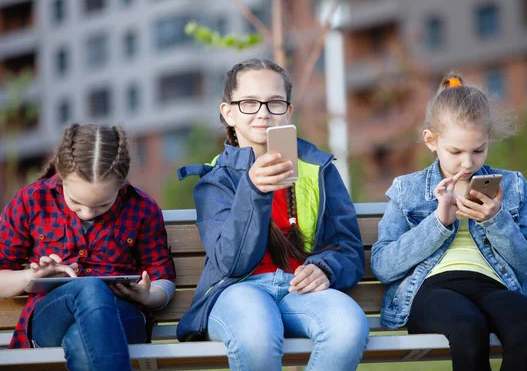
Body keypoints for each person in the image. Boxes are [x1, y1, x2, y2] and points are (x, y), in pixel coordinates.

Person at [176, 58, 369, 371]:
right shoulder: (215, 180)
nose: (263, 112)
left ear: (288, 111)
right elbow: (231, 263)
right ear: (228, 113)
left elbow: (348, 250)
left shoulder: (318, 169)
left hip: (299, 291)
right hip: (237, 292)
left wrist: (325, 268)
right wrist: (253, 190)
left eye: (275, 102)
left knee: (348, 327)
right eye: (250, 102)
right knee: (256, 335)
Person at [371, 73, 527, 371]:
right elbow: (383, 266)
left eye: (478, 150)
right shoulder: (407, 189)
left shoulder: (512, 186)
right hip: (432, 291)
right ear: (431, 140)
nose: (467, 163)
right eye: (456, 151)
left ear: (488, 139)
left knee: (525, 322)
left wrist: (495, 220)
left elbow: (526, 264)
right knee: (467, 327)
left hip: (494, 285)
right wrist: (438, 223)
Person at [0, 124, 176, 371]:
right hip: (51, 316)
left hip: (122, 316)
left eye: (103, 205)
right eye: (76, 202)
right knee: (90, 287)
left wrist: (149, 296)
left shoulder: (142, 208)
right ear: (61, 176)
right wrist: (32, 275)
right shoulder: (32, 201)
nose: (87, 213)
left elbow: (163, 279)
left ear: (122, 183)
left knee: (80, 342)